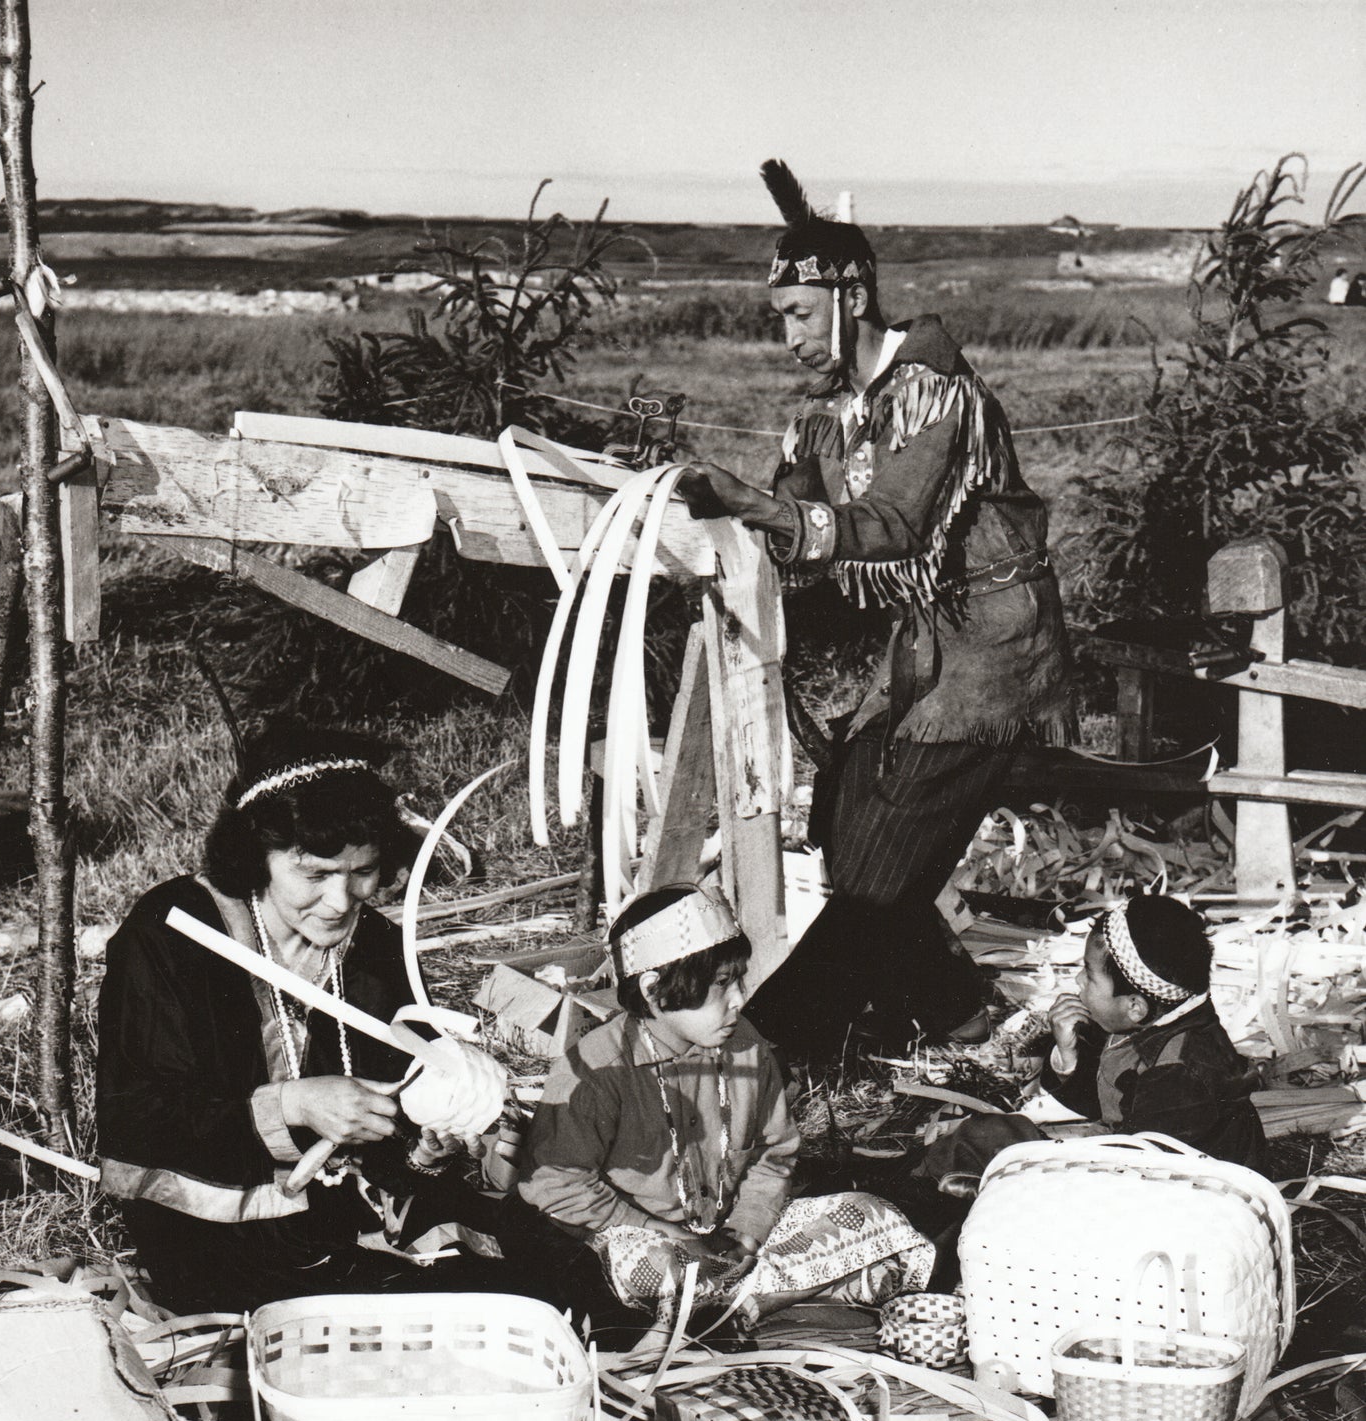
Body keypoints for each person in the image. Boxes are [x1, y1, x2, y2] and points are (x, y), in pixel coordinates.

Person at [678, 160, 1074, 1064]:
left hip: (991, 657)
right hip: (924, 648)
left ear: (850, 293)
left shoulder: (940, 395)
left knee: (874, 877)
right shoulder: (832, 417)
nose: (785, 337)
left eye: (796, 314)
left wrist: (752, 503)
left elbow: (889, 527)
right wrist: (708, 503)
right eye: (777, 318)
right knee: (843, 824)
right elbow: (801, 525)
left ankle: (769, 1054)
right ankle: (960, 1013)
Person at [96, 727, 505, 1314]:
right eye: (314, 875)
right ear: (254, 857)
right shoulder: (173, 932)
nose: (341, 900)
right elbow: (134, 1115)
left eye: (362, 871)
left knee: (503, 1284)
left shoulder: (375, 948)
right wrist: (291, 1105)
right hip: (208, 1222)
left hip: (341, 1212)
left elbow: (395, 1105)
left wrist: (428, 1144)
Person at [510, 882, 934, 1338]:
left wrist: (745, 1234)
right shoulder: (597, 1069)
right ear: (655, 989)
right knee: (654, 1270)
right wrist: (665, 1233)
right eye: (720, 985)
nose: (738, 999)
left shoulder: (745, 1045)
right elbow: (557, 1186)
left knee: (870, 1214)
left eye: (738, 980)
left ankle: (735, 1306)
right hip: (643, 1240)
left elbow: (775, 1155)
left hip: (734, 1238)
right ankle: (782, 1295)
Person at [923, 895, 1269, 1190]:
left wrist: (1032, 1173)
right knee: (987, 1139)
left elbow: (1143, 1177)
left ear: (1135, 1005)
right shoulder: (1152, 1022)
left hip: (1177, 1199)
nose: (1077, 980)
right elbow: (1109, 1103)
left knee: (988, 1145)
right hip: (1132, 1163)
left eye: (1088, 974)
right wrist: (1068, 1054)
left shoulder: (1179, 1073)